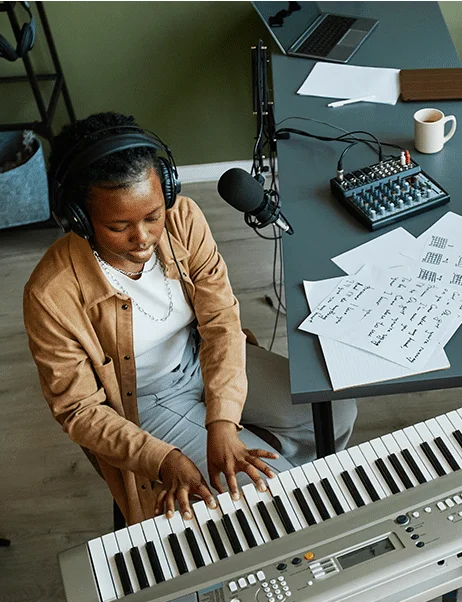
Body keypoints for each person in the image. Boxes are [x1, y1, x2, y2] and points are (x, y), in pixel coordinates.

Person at [23, 112, 357, 526]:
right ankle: (256, 502)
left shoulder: (183, 218)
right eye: (118, 226)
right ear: (77, 217)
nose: (143, 238)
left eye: (152, 216)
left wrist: (222, 421)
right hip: (142, 401)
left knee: (336, 413)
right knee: (270, 497)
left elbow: (220, 319)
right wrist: (163, 460)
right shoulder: (51, 294)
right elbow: (78, 410)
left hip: (199, 357)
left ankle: (255, 483)